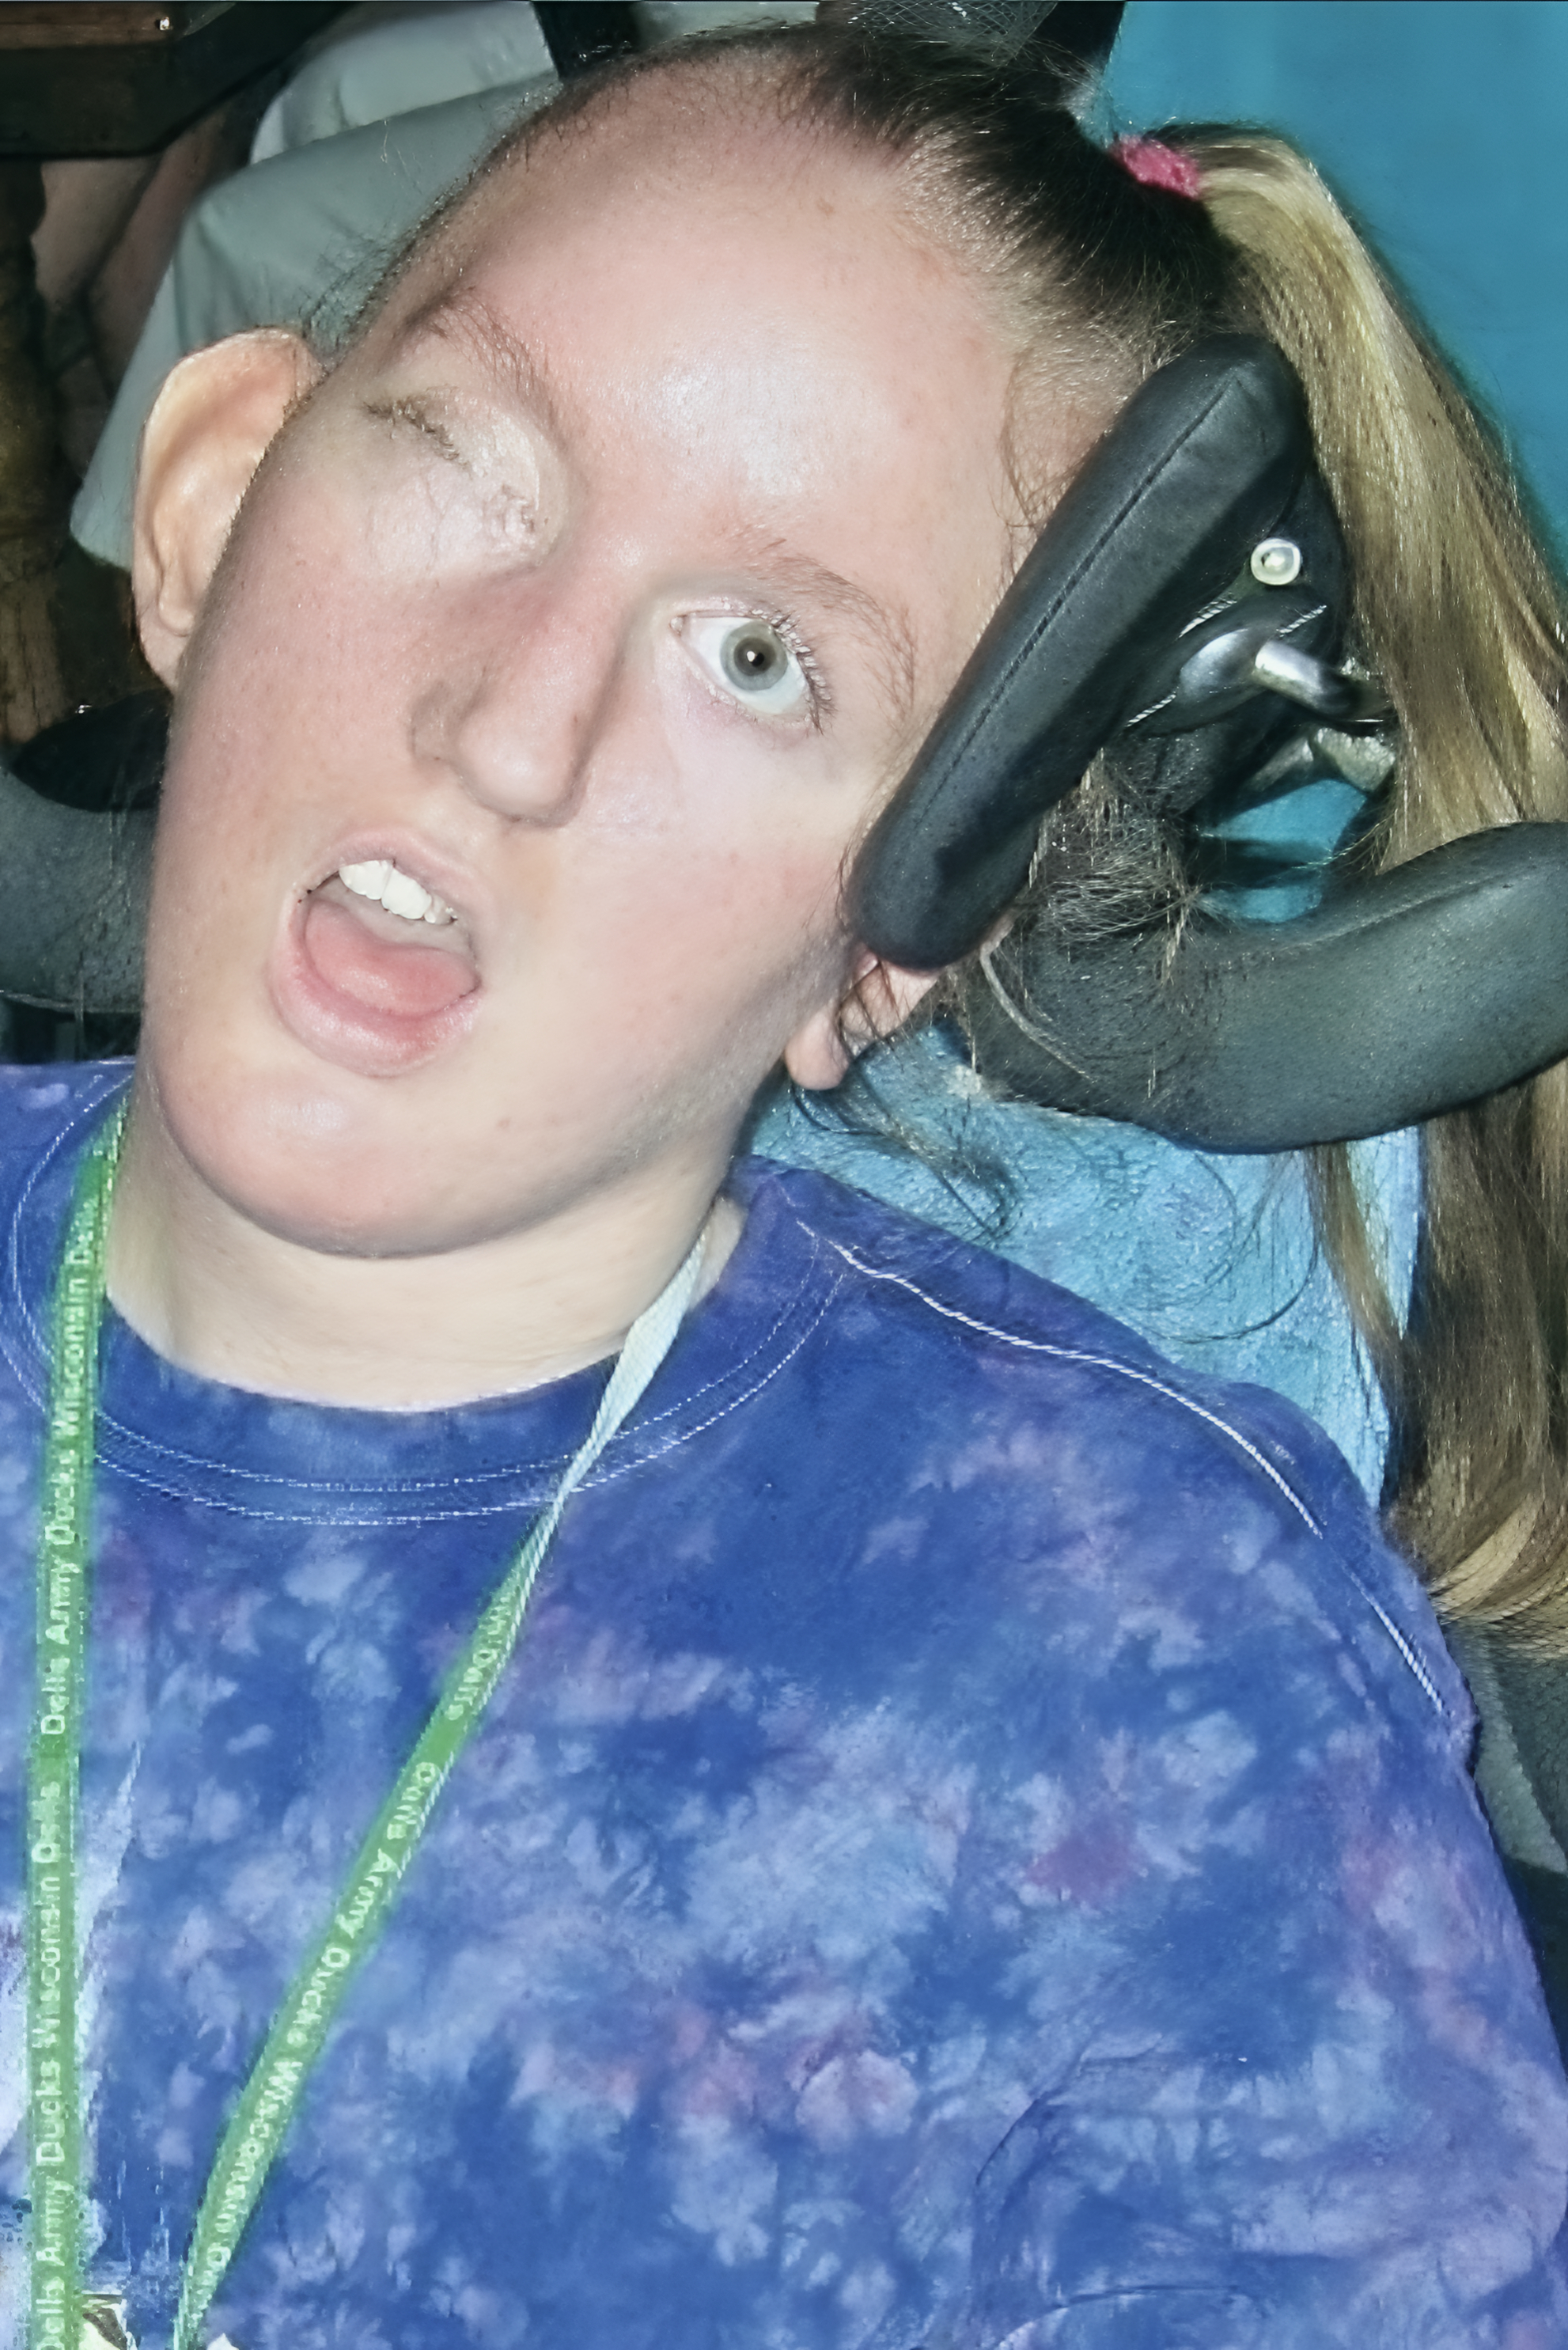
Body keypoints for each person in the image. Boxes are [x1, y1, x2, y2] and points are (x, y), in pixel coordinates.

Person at [0, 21, 1564, 2349]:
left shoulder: (1139, 1693)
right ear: (214, 509)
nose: (509, 723)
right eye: (478, 467)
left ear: (900, 936)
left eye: (759, 659)